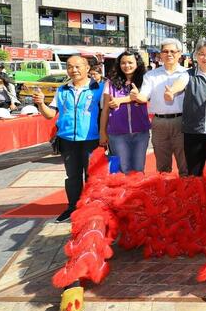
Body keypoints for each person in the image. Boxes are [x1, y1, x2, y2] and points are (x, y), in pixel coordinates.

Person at [32, 55, 104, 222]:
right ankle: (73, 208)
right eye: (70, 66)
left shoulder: (99, 89)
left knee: (92, 176)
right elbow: (50, 115)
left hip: (91, 139)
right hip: (67, 140)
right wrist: (41, 104)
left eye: (78, 66)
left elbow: (106, 114)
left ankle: (94, 208)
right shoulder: (62, 90)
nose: (74, 70)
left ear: (87, 68)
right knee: (72, 176)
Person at [169, 40, 206, 176]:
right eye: (201, 54)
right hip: (193, 130)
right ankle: (196, 196)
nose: (205, 58)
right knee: (194, 171)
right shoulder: (188, 75)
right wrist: (171, 91)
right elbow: (179, 85)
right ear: (196, 55)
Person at [137, 38, 189, 176]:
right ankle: (164, 195)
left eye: (173, 51)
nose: (169, 54)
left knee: (185, 164)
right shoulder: (151, 75)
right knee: (162, 166)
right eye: (165, 51)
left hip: (182, 122)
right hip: (159, 123)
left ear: (179, 54)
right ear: (160, 54)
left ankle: (187, 195)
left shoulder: (188, 74)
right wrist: (136, 96)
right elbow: (144, 95)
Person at [99, 50, 151, 173]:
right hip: (117, 134)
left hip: (141, 133)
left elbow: (145, 98)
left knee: (138, 169)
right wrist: (102, 132)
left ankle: (137, 193)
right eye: (123, 63)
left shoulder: (145, 81)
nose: (126, 66)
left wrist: (121, 100)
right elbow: (105, 109)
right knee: (123, 169)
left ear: (137, 63)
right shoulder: (110, 83)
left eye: (130, 62)